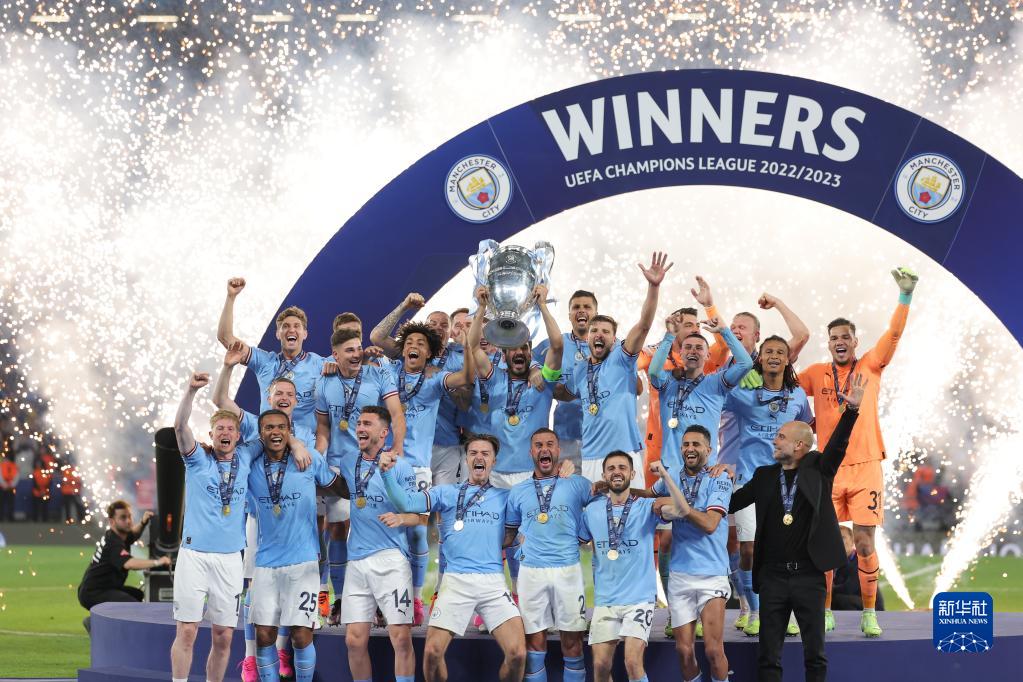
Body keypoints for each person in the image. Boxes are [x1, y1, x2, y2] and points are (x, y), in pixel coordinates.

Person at [797, 267, 918, 636]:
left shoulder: (870, 365)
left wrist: (905, 297)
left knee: (864, 543)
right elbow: (783, 386)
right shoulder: (815, 373)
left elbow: (893, 335)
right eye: (834, 338)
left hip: (866, 467)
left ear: (854, 341)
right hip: (829, 470)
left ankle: (869, 612)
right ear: (828, 343)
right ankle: (825, 611)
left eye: (845, 337)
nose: (840, 342)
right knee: (825, 544)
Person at [728, 373, 866, 682]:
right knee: (768, 657)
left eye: (780, 437)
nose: (774, 441)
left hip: (809, 576)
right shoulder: (764, 476)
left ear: (799, 445)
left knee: (815, 655)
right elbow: (731, 503)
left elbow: (838, 446)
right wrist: (708, 489)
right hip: (773, 577)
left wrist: (852, 412)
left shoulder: (818, 468)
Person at [379, 434, 527, 682]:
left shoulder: (506, 497)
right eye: (473, 453)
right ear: (466, 459)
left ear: (493, 461)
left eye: (485, 454)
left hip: (492, 583)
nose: (479, 457)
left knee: (518, 654)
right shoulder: (446, 493)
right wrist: (386, 473)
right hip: (455, 581)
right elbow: (406, 502)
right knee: (432, 653)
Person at [212, 353, 313, 681]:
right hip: (260, 519)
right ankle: (249, 657)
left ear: (296, 400)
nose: (283, 398)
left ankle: (282, 650)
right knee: (256, 587)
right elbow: (220, 400)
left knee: (289, 588)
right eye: (278, 393)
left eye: (289, 394)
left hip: (294, 523)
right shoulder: (257, 423)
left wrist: (298, 443)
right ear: (269, 398)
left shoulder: (308, 432)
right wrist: (228, 365)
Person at [377, 319, 473, 624]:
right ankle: (384, 600)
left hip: (417, 466)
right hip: (384, 463)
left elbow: (467, 376)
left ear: (430, 353)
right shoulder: (389, 372)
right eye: (409, 343)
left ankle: (416, 600)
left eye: (421, 343)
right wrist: (406, 304)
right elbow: (378, 336)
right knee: (383, 530)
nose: (413, 347)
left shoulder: (434, 379)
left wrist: (468, 345)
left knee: (417, 531)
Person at [170, 371, 263, 682]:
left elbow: (271, 430)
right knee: (187, 630)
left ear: (238, 436)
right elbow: (179, 426)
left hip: (230, 559)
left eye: (231, 428)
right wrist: (190, 391)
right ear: (211, 435)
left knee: (223, 636)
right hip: (194, 556)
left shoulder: (247, 456)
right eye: (220, 428)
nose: (225, 432)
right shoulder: (197, 460)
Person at [719, 336, 812, 637]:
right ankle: (755, 611)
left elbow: (807, 431)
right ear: (759, 358)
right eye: (768, 351)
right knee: (748, 549)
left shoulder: (797, 395)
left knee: (788, 551)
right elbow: (714, 398)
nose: (774, 356)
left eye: (780, 352)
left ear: (787, 359)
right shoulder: (744, 392)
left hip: (787, 484)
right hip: (749, 480)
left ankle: (789, 614)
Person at [246, 409, 349, 682]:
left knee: (301, 634)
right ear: (260, 433)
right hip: (266, 563)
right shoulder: (251, 466)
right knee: (264, 634)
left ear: (289, 431)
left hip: (303, 562)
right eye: (269, 427)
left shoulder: (308, 458)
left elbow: (340, 487)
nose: (275, 432)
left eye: (281, 427)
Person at [555, 252, 673, 481]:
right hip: (590, 457)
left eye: (605, 332)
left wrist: (653, 287)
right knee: (593, 505)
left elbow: (644, 325)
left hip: (624, 453)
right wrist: (539, 381)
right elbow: (565, 393)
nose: (599, 334)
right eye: (594, 331)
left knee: (631, 504)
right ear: (588, 337)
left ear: (614, 338)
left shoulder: (622, 358)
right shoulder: (581, 368)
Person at [314, 327, 405, 624]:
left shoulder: (378, 374)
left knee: (375, 527)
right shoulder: (324, 381)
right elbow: (324, 427)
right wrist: (319, 457)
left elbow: (396, 414)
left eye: (358, 348)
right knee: (338, 529)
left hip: (373, 462)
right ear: (335, 355)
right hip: (340, 464)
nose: (356, 354)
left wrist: (397, 449)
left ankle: (380, 601)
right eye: (349, 350)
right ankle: (341, 599)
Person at [579, 451, 685, 682]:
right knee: (600, 665)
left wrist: (665, 476)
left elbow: (681, 510)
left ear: (632, 474)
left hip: (639, 599)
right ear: (604, 475)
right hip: (606, 599)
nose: (617, 472)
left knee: (632, 662)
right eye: (611, 468)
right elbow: (575, 541)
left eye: (622, 468)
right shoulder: (592, 511)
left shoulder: (646, 507)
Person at [337, 406, 419, 682]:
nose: (360, 428)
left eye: (367, 424)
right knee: (354, 640)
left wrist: (401, 518)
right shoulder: (348, 461)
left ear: (384, 433)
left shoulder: (401, 466)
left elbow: (419, 516)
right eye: (359, 423)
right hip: (357, 561)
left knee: (401, 638)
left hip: (391, 559)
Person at [503, 428, 591, 682]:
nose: (544, 449)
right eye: (539, 445)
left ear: (558, 450)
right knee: (534, 644)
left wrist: (584, 533)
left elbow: (603, 500)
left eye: (550, 444)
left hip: (568, 571)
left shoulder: (577, 483)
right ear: (531, 452)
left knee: (573, 643)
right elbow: (509, 534)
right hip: (531, 572)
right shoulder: (518, 491)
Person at [651, 426, 732, 682]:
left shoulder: (720, 478)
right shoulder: (672, 476)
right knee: (684, 651)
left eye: (696, 444)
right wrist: (614, 489)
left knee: (713, 651)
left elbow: (710, 524)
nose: (690, 449)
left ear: (709, 449)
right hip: (680, 575)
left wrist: (679, 507)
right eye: (686, 444)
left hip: (712, 574)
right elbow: (650, 497)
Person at [217, 277, 327, 432]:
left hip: (304, 443)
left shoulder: (319, 364)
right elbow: (225, 337)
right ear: (277, 334)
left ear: (305, 334)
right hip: (269, 441)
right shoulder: (265, 361)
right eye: (285, 326)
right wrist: (231, 297)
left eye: (297, 326)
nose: (291, 330)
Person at [532, 289, 598, 471]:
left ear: (596, 313)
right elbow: (528, 355)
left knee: (598, 485)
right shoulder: (556, 343)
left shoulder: (608, 345)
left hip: (599, 434)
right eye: (576, 307)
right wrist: (534, 368)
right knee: (567, 484)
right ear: (569, 315)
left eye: (587, 307)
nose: (581, 310)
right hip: (566, 434)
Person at [78, 500, 170, 611]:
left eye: (129, 516)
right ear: (112, 521)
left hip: (104, 588)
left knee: (138, 594)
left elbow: (134, 534)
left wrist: (142, 522)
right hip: (94, 593)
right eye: (123, 518)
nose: (128, 521)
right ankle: (98, 621)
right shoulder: (113, 542)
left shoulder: (118, 535)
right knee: (134, 607)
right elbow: (129, 563)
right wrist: (158, 562)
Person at [832, 526, 886, 611]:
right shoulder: (835, 562)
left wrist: (829, 590)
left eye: (842, 538)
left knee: (839, 599)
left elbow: (849, 588)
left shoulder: (861, 561)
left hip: (872, 608)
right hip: (855, 603)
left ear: (852, 541)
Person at [0, 453, 17, 521]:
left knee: (10, 503)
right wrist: (5, 485)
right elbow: (0, 476)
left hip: (10, 487)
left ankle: (10, 517)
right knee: (2, 503)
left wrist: (10, 485)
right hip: (3, 487)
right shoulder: (1, 465)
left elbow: (16, 476)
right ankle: (1, 517)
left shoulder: (14, 466)